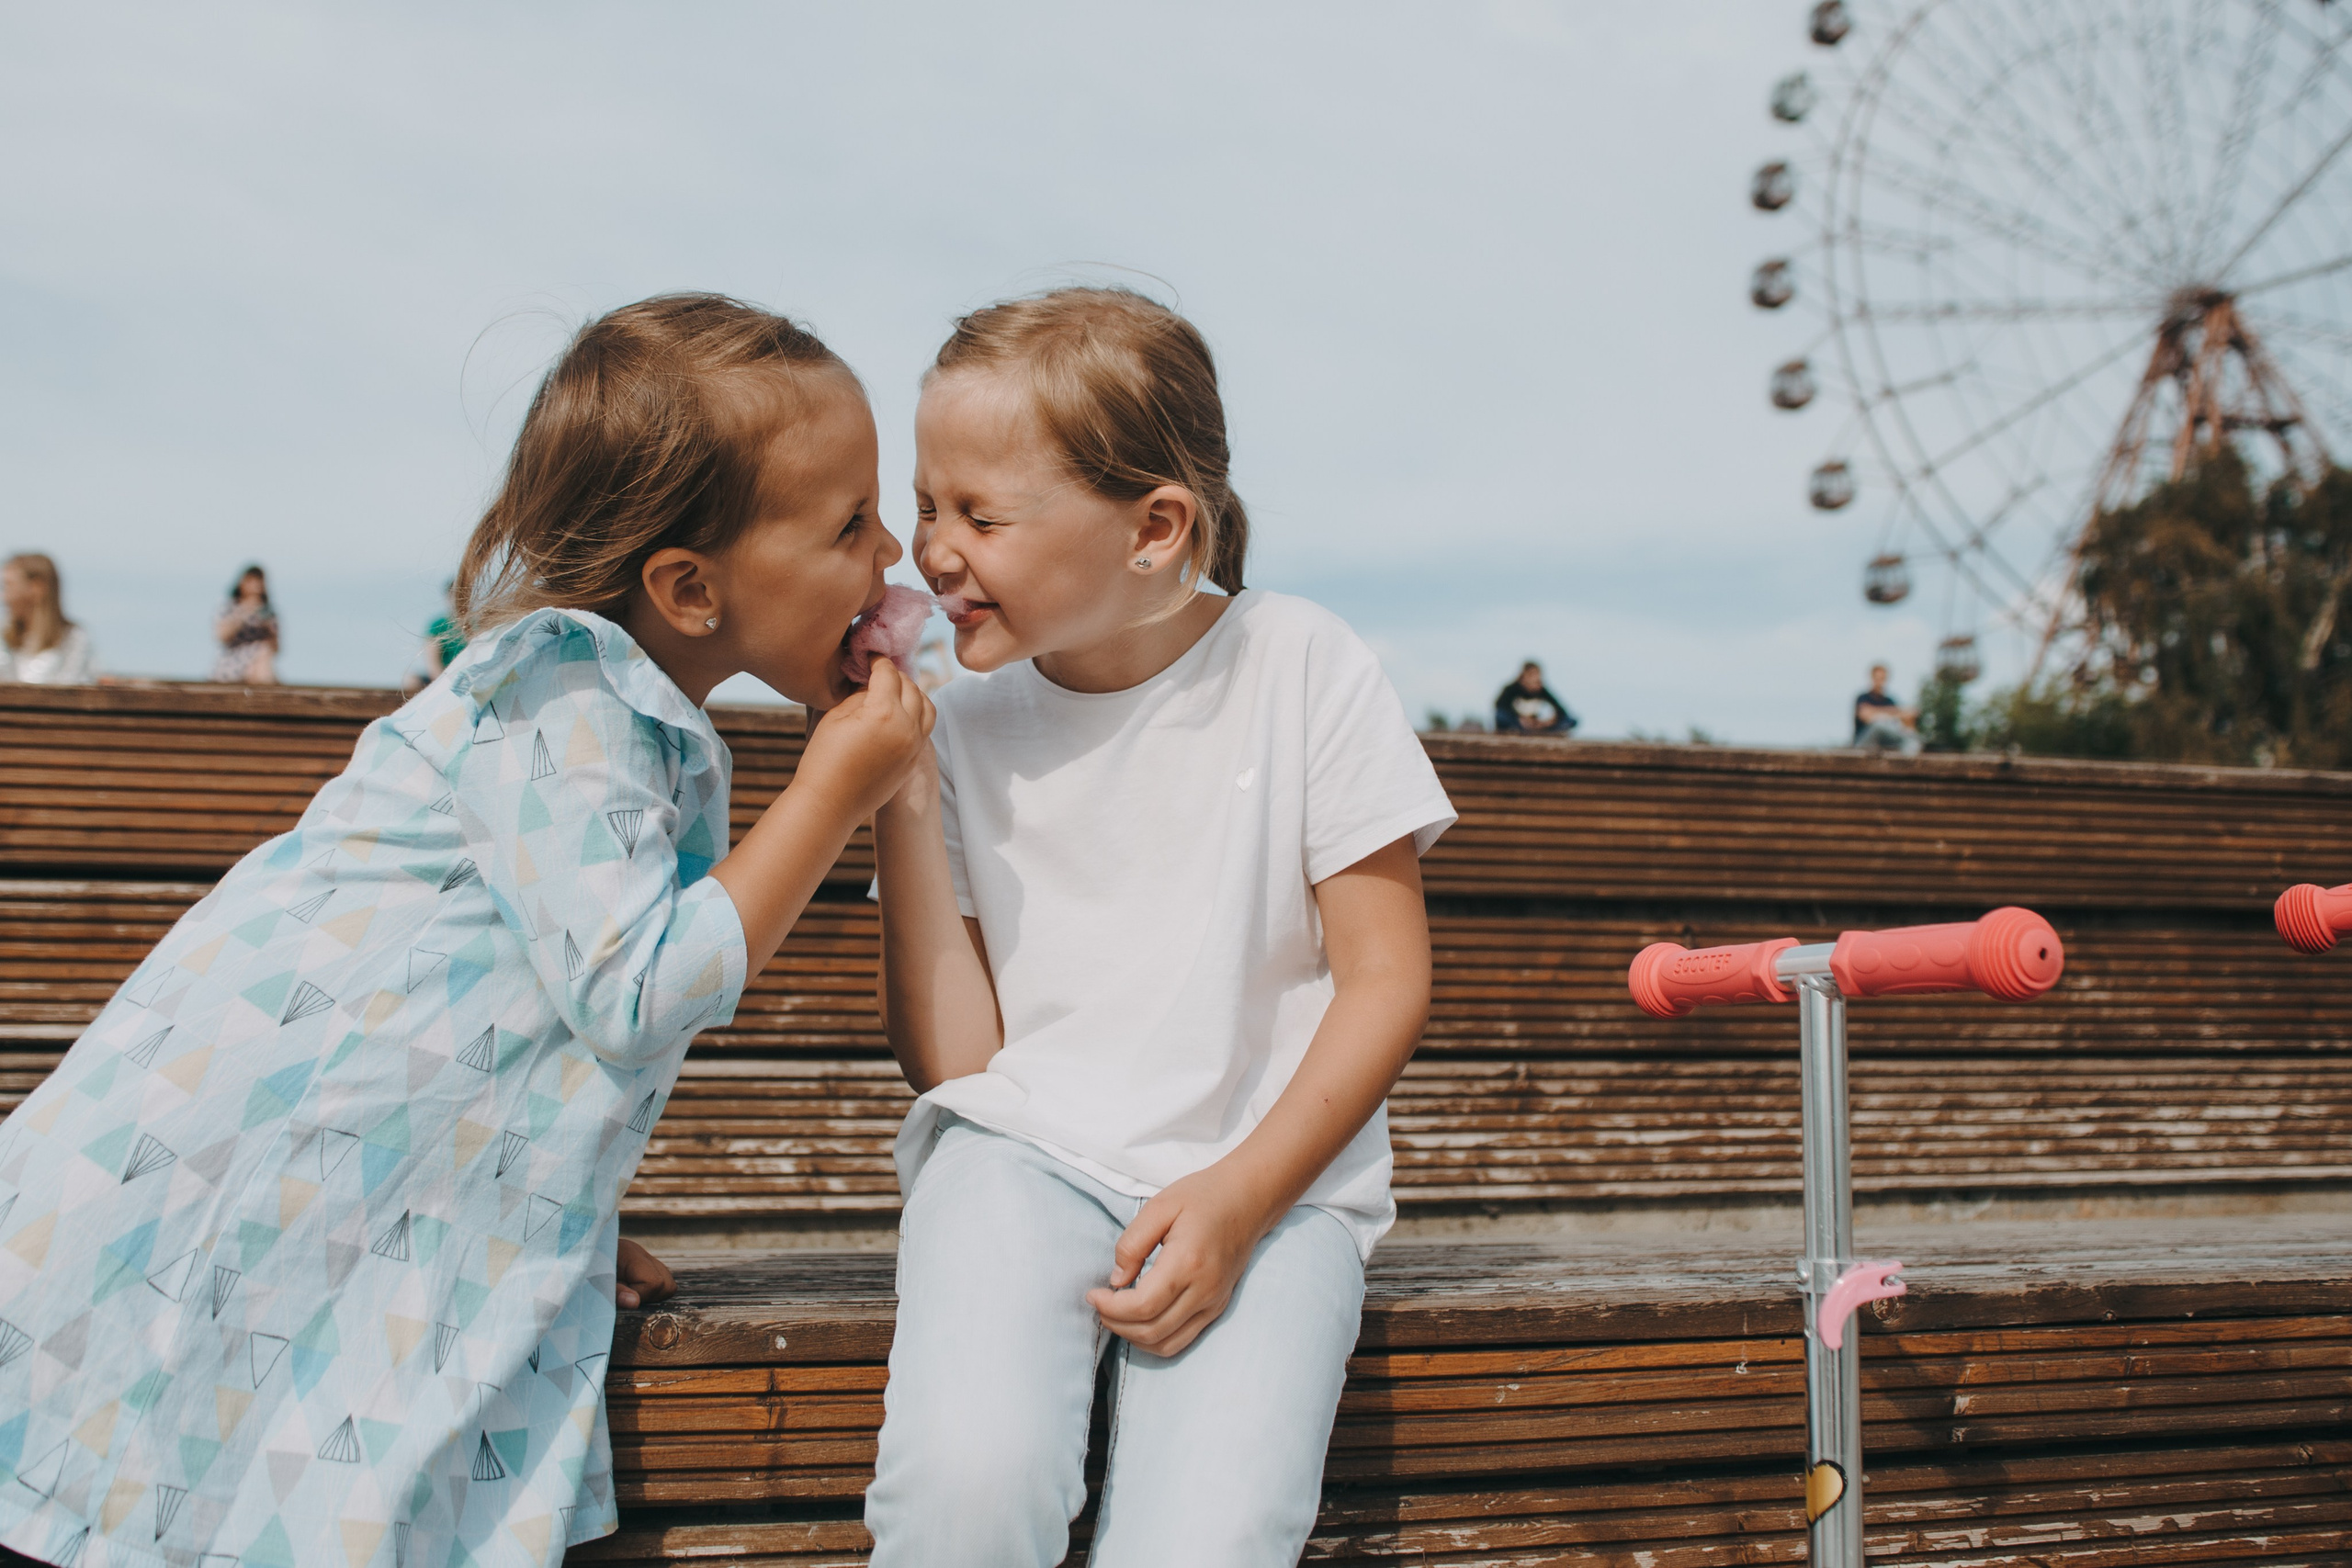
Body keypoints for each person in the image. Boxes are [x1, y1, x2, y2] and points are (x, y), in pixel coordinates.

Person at [0, 294, 933, 1568]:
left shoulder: (616, 712)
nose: (893, 551)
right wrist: (836, 784)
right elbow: (633, 990)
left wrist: (543, 1197)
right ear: (690, 586)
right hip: (182, 1207)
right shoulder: (562, 693)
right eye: (847, 524)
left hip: (325, 1193)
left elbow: (503, 1021)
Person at [867, 288, 1453, 1565]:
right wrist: (900, 794)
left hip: (1276, 1181)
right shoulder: (956, 726)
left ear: (1155, 527)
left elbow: (1384, 980)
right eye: (924, 504)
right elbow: (961, 1069)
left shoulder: (1302, 664)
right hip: (1021, 1156)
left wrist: (1243, 1195)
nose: (933, 550)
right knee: (964, 1482)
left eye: (980, 513)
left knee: (1208, 1535)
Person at [0, 554, 97, 684]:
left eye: (9, 586)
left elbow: (71, 689)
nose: (4, 598)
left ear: (36, 588)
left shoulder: (73, 639)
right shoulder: (4, 637)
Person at [212, 563, 280, 683]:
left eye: (259, 583)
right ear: (242, 584)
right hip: (232, 662)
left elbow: (276, 648)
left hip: (259, 665)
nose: (256, 587)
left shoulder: (268, 612)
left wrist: (269, 629)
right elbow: (221, 636)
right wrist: (244, 612)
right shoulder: (229, 608)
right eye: (252, 582)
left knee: (263, 654)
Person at [404, 579, 469, 695]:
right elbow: (433, 662)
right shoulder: (439, 624)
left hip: (469, 677)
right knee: (412, 680)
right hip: (441, 678)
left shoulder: (478, 624)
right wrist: (444, 684)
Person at [1493, 660, 1576, 735]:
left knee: (1570, 720)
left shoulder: (1542, 691)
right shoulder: (1512, 689)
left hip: (1536, 724)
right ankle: (1515, 731)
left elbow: (1561, 710)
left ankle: (1548, 732)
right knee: (1501, 716)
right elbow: (1500, 706)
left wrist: (1549, 721)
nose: (1535, 678)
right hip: (1517, 722)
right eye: (1532, 675)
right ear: (1524, 675)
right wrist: (1520, 719)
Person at [1854, 662, 1921, 753]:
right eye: (1877, 678)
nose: (1880, 681)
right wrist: (1894, 713)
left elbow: (1909, 716)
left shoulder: (1890, 701)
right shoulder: (1863, 698)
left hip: (1883, 745)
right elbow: (1866, 716)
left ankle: (1906, 763)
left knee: (1911, 737)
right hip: (1863, 744)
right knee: (1878, 725)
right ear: (1872, 678)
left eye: (1882, 678)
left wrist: (1878, 713)